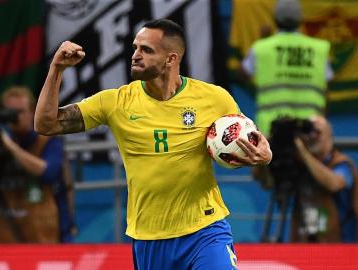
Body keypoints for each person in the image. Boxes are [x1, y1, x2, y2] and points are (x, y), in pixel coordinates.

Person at [35, 19, 272, 269]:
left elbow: (250, 140)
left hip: (205, 230)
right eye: (135, 48)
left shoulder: (214, 98)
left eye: (146, 50)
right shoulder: (116, 103)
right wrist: (56, 69)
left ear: (171, 59)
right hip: (149, 238)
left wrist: (265, 156)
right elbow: (46, 124)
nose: (135, 55)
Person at [0, 86, 75, 243]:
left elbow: (49, 173)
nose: (14, 118)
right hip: (7, 238)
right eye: (9, 112)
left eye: (20, 112)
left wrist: (12, 148)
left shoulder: (47, 141)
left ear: (32, 112)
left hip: (45, 236)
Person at [240, 0, 333, 136]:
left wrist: (265, 40)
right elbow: (327, 89)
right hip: (310, 130)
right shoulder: (318, 49)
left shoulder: (261, 48)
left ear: (275, 19)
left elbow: (243, 74)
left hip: (271, 132)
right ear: (300, 20)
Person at [292, 115, 358, 242]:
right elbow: (266, 183)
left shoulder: (342, 164)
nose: (312, 136)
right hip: (310, 247)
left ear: (329, 136)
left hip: (344, 247)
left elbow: (334, 184)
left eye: (317, 132)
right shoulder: (301, 167)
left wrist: (303, 152)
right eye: (308, 132)